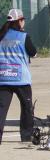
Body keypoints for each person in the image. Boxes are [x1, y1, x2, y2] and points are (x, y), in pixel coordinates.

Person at [0, 9, 37, 144]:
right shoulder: (23, 36)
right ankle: (26, 136)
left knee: (1, 109)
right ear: (19, 21)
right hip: (21, 79)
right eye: (23, 19)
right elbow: (33, 52)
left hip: (3, 77)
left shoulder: (1, 35)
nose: (24, 22)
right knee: (27, 107)